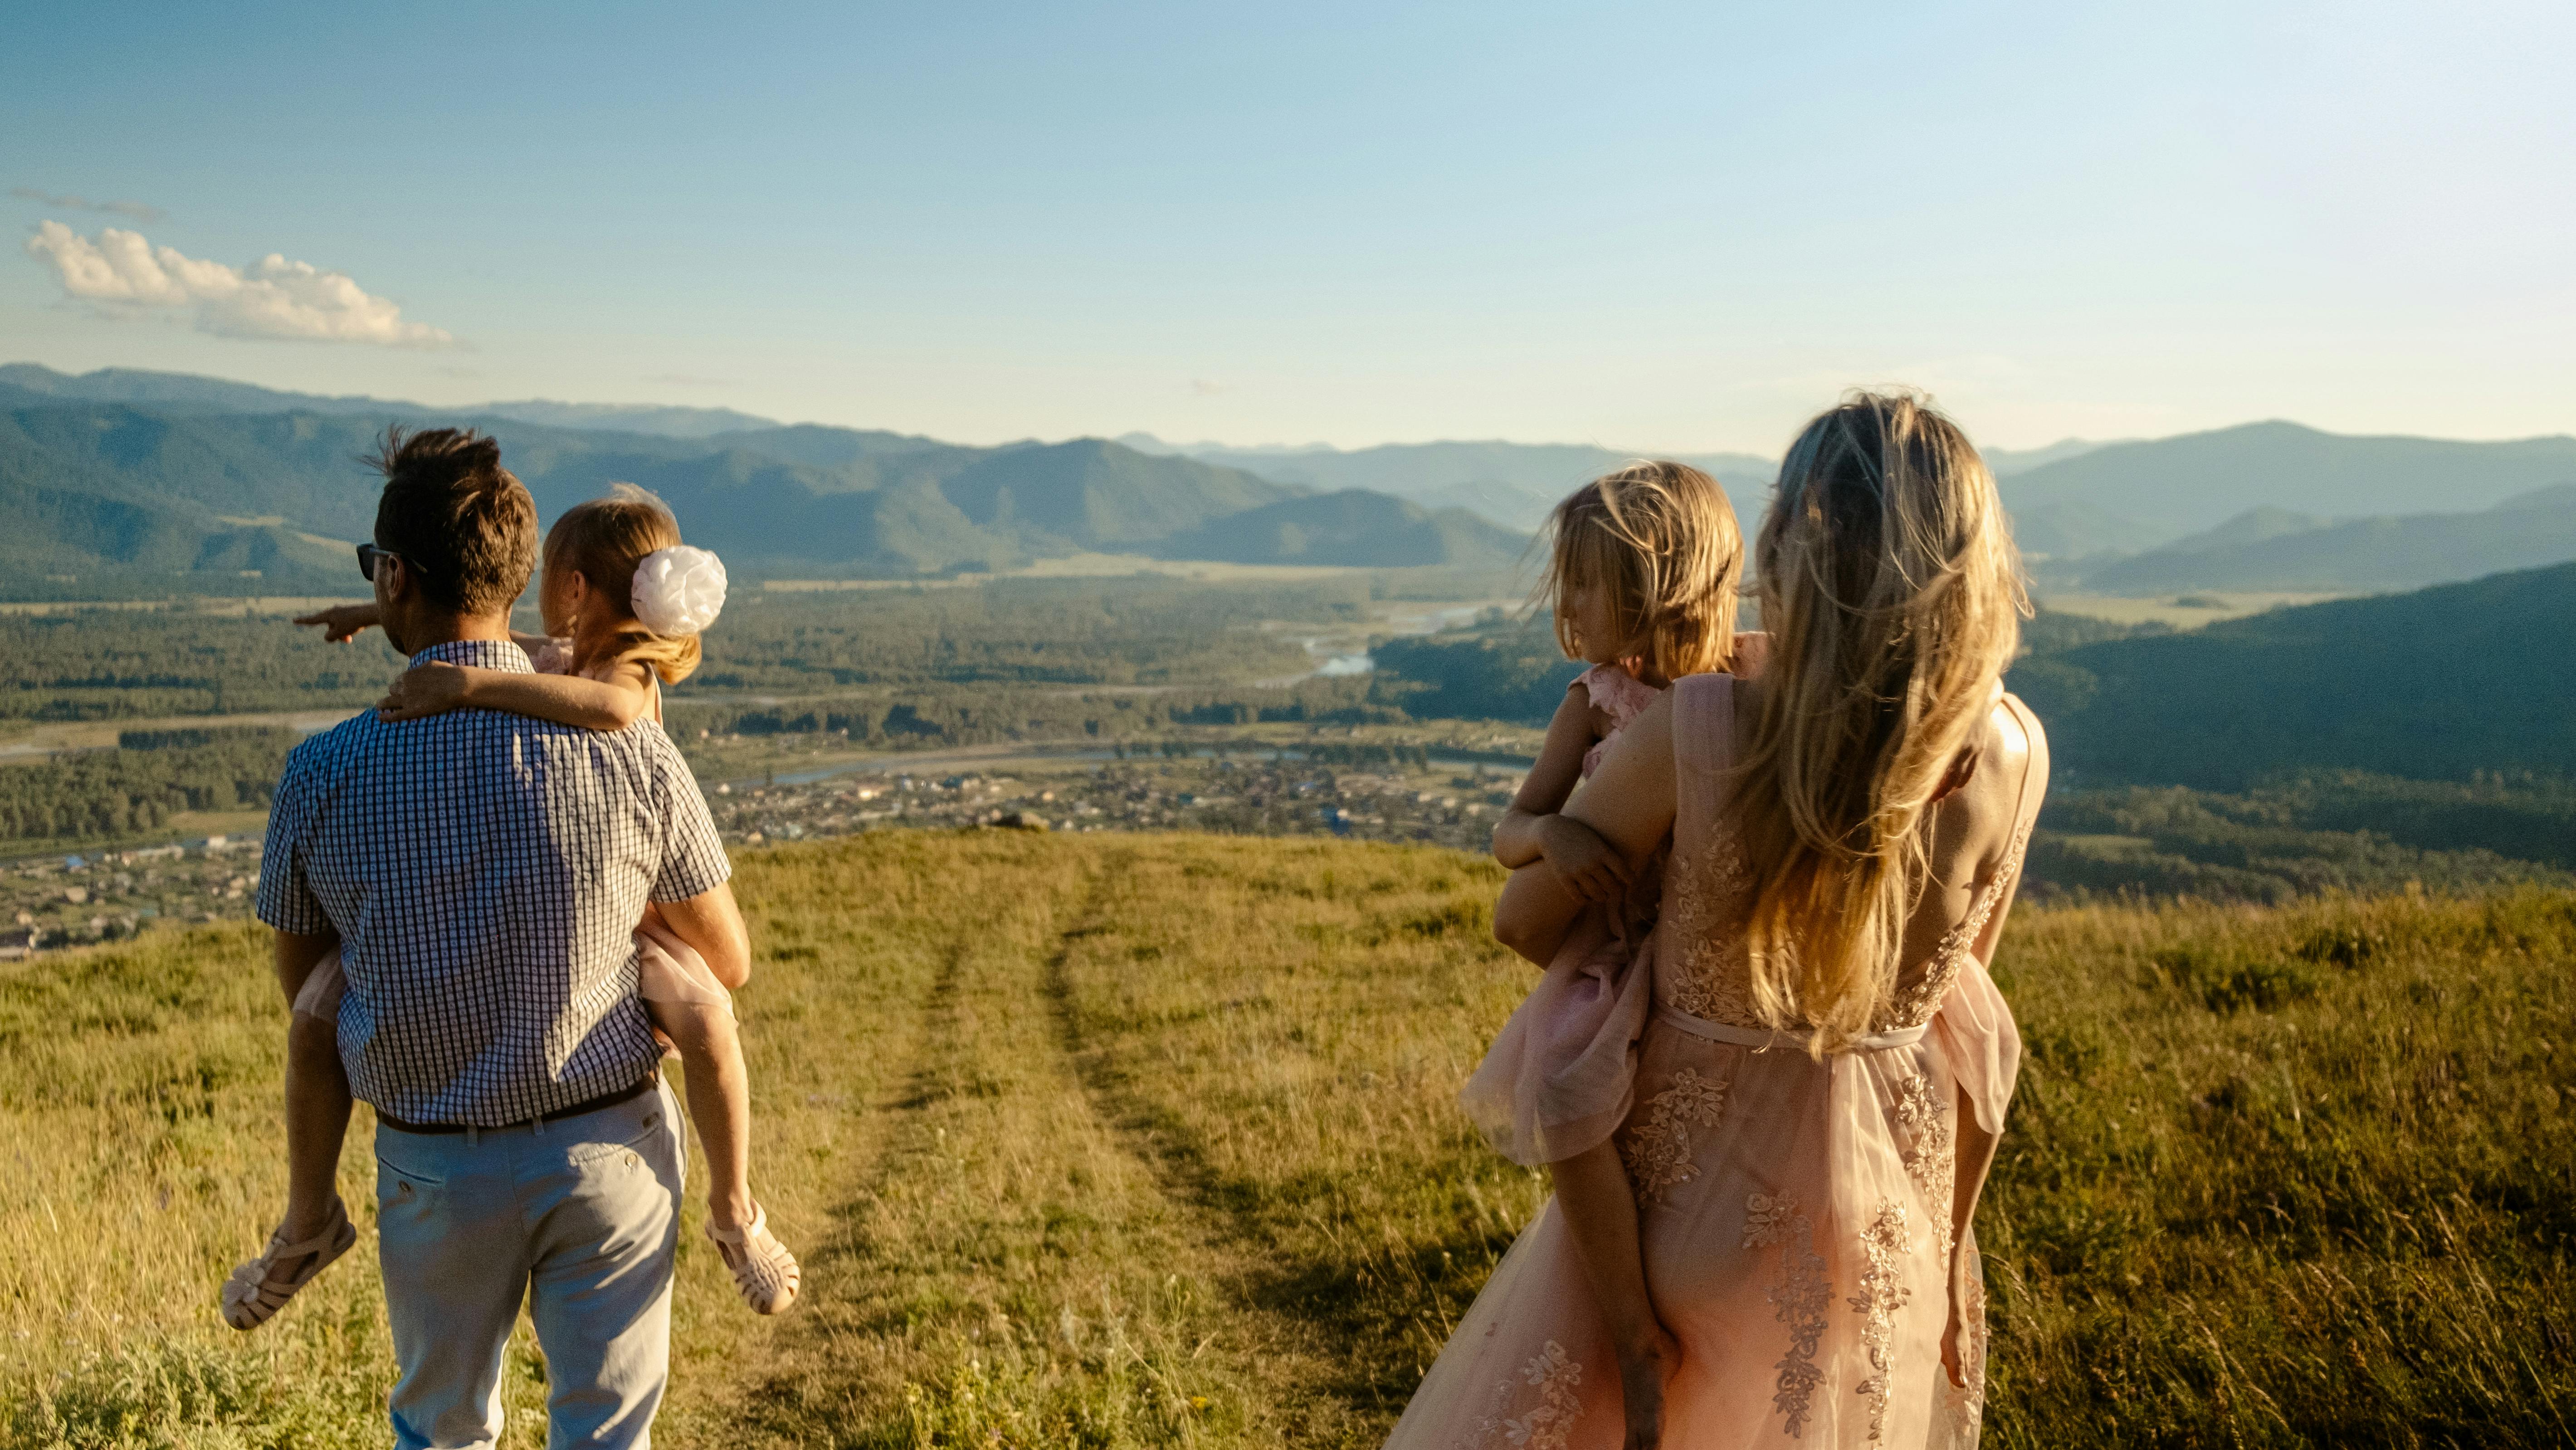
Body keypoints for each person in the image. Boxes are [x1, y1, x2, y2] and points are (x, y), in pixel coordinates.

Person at [1388, 391, 2046, 1450]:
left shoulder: (1702, 725)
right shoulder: (2016, 745)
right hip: (1891, 1223)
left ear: (1794, 545)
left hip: (1680, 1224)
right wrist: (1950, 1240)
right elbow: (1961, 1011)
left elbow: (1523, 923)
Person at [237, 428, 747, 1448]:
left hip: (434, 1166)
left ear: (394, 579)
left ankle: (304, 1229)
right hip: (610, 1149)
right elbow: (726, 962)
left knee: (443, 1431)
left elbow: (317, 986)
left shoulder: (321, 778)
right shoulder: (630, 750)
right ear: (523, 583)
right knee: (607, 1434)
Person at [1466, 459, 1748, 1165]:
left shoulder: (1746, 693)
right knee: (1574, 1104)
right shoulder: (1592, 704)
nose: (1568, 605)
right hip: (1618, 960)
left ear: (1660, 584)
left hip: (1720, 961)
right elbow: (1509, 832)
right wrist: (1550, 832)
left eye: (1588, 583)